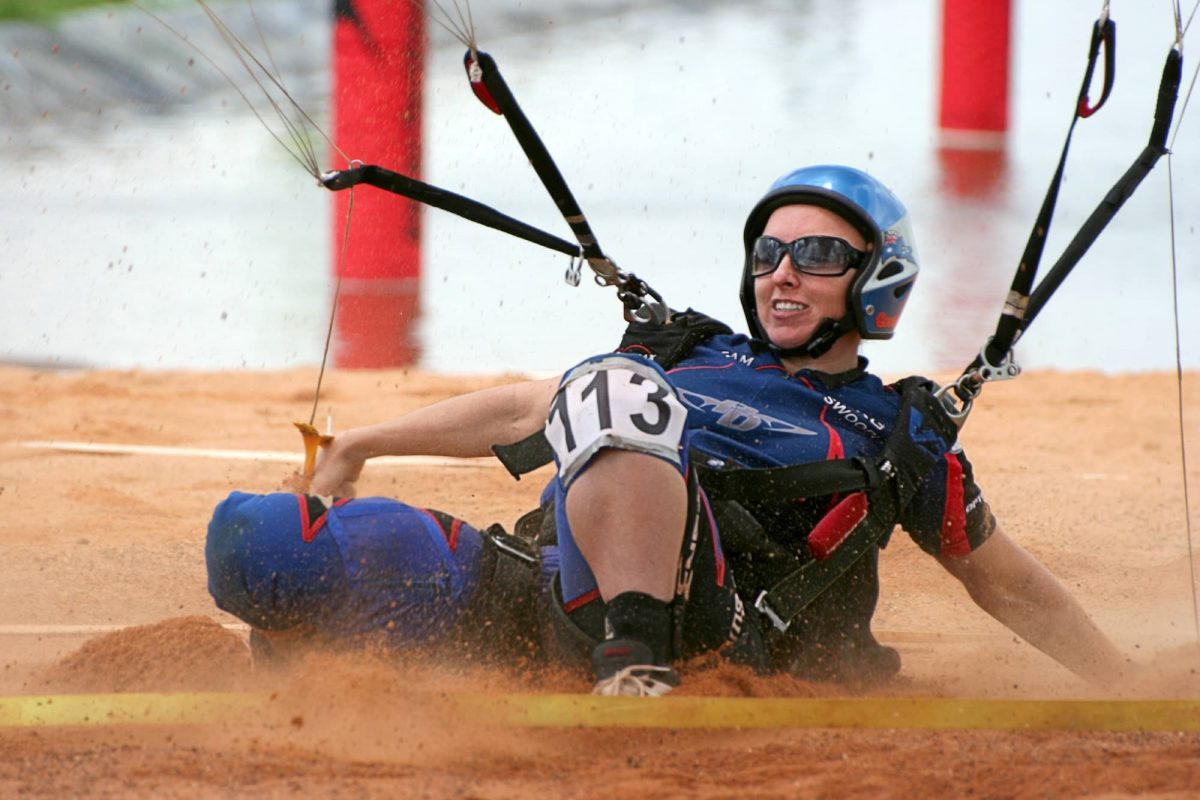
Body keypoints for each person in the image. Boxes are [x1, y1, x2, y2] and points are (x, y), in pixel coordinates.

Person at [216, 165, 1129, 696]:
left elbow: (1015, 591)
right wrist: (359, 444)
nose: (782, 274)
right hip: (545, 586)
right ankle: (334, 640)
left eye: (816, 257)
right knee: (252, 542)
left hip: (710, 629)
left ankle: (635, 666)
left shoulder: (898, 434)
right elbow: (529, 408)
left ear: (873, 282)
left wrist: (1129, 688)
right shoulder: (691, 352)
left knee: (621, 386)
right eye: (768, 253)